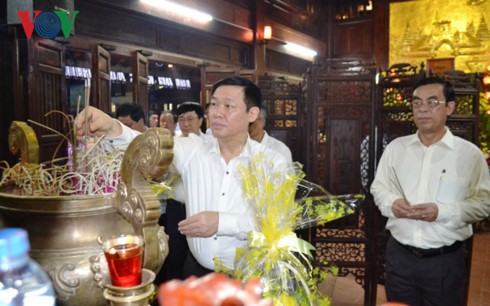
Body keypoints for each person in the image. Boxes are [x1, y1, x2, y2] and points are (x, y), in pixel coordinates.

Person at [75, 76, 289, 277]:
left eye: (228, 106)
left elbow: (278, 222)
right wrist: (111, 127)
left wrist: (221, 222)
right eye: (213, 105)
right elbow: (147, 145)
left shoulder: (272, 161)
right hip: (197, 271)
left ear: (252, 114)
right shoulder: (193, 149)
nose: (217, 112)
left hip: (251, 275)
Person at [370, 76, 490, 306]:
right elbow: (379, 187)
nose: (423, 109)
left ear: (450, 108)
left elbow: (483, 204)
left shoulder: (469, 155)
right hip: (400, 257)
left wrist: (441, 211)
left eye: (433, 102)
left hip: (444, 262)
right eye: (417, 103)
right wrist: (393, 202)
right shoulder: (396, 148)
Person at [155, 101, 206, 283]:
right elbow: (161, 176)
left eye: (191, 119)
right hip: (176, 208)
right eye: (182, 119)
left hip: (200, 208)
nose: (185, 124)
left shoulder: (209, 145)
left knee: (198, 255)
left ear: (201, 121)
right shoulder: (171, 145)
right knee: (175, 253)